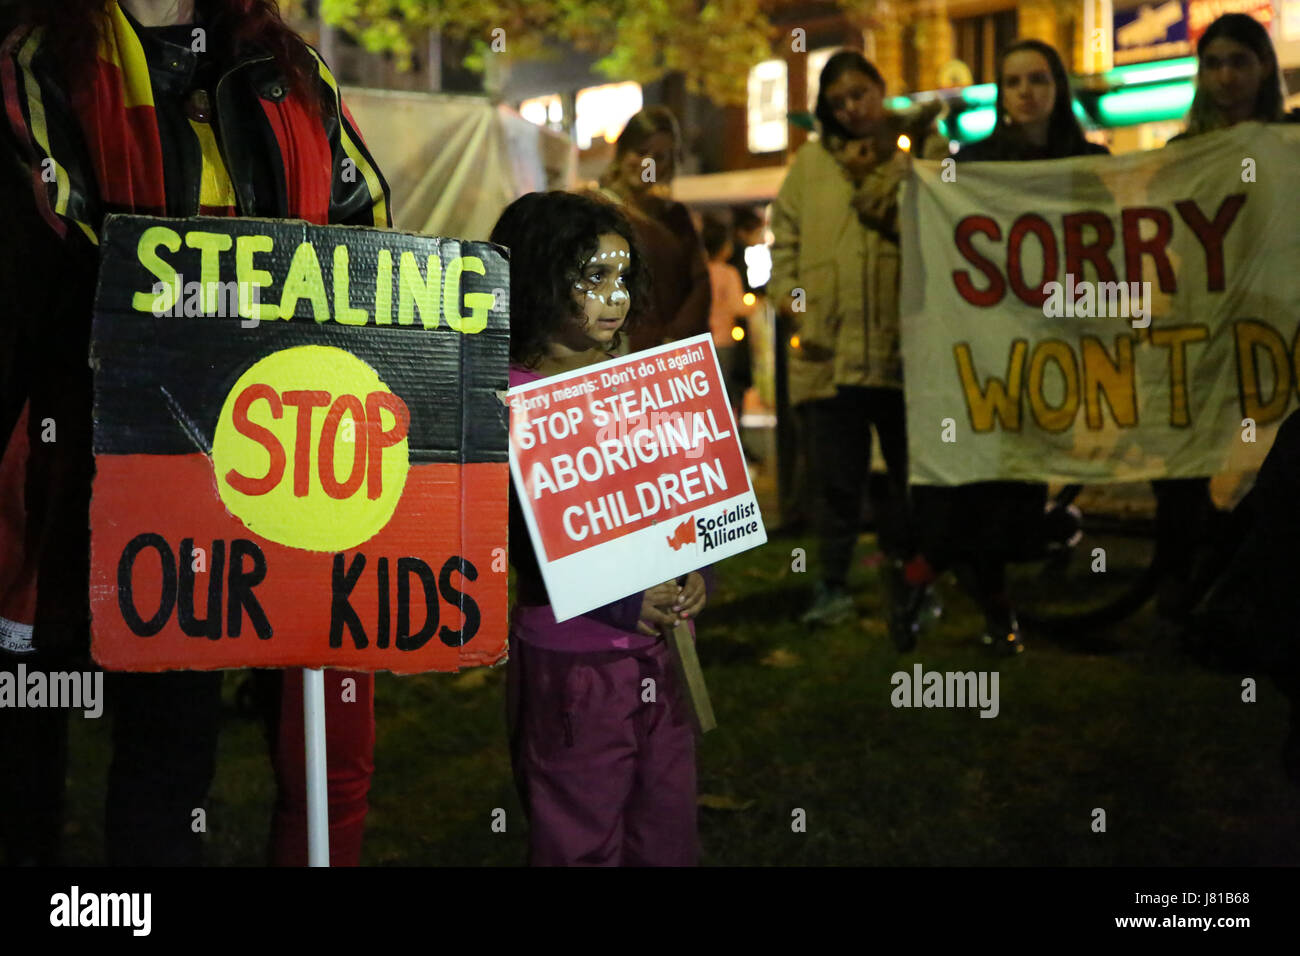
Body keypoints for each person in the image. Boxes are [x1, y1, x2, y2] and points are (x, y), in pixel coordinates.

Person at [0, 0, 390, 865]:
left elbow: (366, 244)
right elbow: (50, 248)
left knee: (172, 757)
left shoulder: (292, 72)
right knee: (27, 752)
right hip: (67, 477)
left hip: (241, 483)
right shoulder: (38, 57)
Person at [491, 191, 707, 865]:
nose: (614, 298)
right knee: (578, 835)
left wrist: (697, 567)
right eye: (592, 279)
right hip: (576, 664)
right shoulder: (508, 397)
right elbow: (526, 538)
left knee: (666, 827)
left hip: (662, 653)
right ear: (538, 279)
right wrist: (618, 602)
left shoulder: (639, 380)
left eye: (622, 278)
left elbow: (680, 493)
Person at [911, 39, 1108, 656]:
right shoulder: (974, 163)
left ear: (1059, 89)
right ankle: (994, 609)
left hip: (1065, 346)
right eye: (1014, 82)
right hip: (989, 351)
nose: (1027, 93)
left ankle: (926, 578)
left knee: (1020, 491)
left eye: (1039, 80)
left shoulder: (1092, 162)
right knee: (988, 480)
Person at [769, 50, 948, 640]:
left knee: (911, 478)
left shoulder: (924, 150)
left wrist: (903, 161)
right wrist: (798, 310)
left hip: (904, 347)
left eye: (859, 93)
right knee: (838, 482)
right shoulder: (809, 166)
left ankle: (917, 580)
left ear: (880, 87)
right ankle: (832, 584)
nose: (850, 108)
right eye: (838, 100)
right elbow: (784, 249)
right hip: (830, 352)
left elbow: (941, 228)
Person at [1153, 12, 1295, 626]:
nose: (1226, 77)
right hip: (1202, 331)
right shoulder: (1182, 155)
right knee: (1187, 462)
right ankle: (1184, 586)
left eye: (1239, 61)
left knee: (1270, 460)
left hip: (1277, 329)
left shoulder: (1291, 145)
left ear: (1263, 67)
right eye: (1212, 64)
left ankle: (1246, 590)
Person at [597, 106, 711, 353]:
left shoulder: (676, 217)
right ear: (623, 152)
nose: (647, 164)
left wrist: (675, 338)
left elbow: (700, 284)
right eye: (640, 152)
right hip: (617, 354)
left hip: (675, 354)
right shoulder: (596, 212)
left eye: (659, 157)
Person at [702, 216, 756, 431]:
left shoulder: (699, 272)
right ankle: (728, 436)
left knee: (708, 394)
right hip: (724, 339)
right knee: (725, 392)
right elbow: (737, 306)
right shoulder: (728, 272)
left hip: (702, 339)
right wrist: (755, 305)